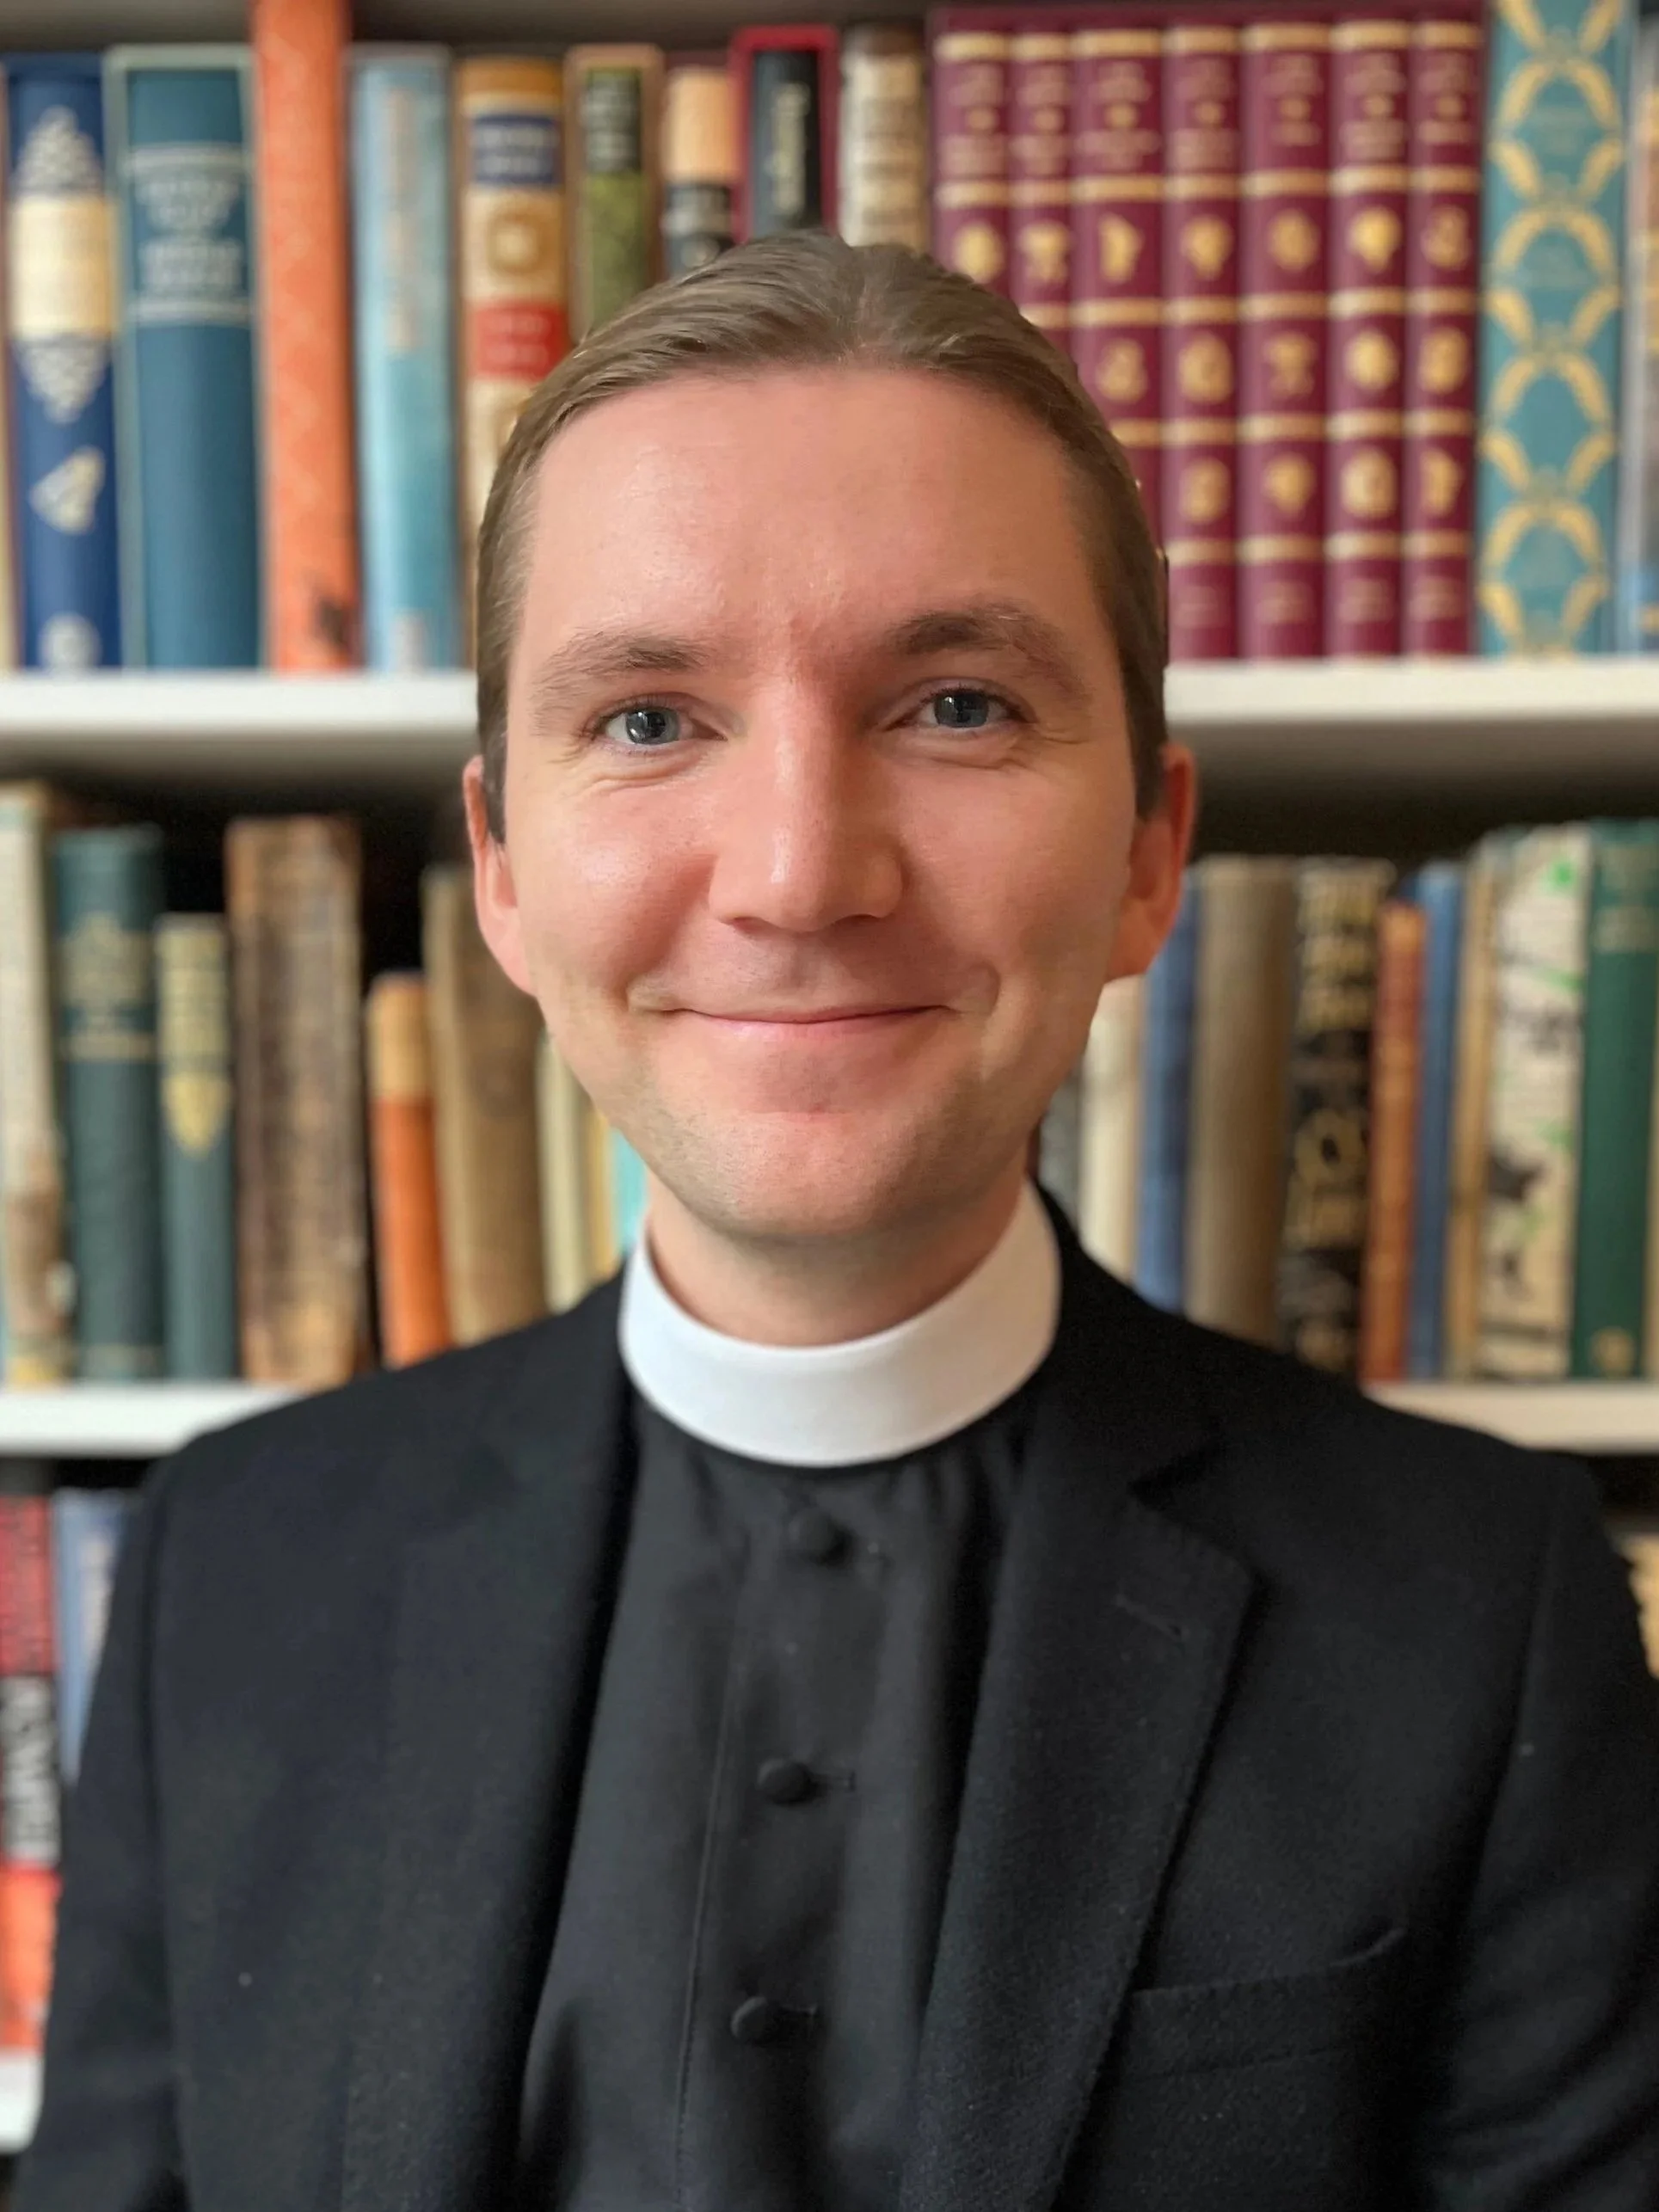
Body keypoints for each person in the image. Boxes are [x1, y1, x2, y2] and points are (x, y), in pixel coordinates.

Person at [18, 235, 1659, 2212]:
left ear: (1149, 849)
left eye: (956, 703)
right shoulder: (231, 1567)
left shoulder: (1480, 1607)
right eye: (645, 719)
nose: (799, 874)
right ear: (504, 872)